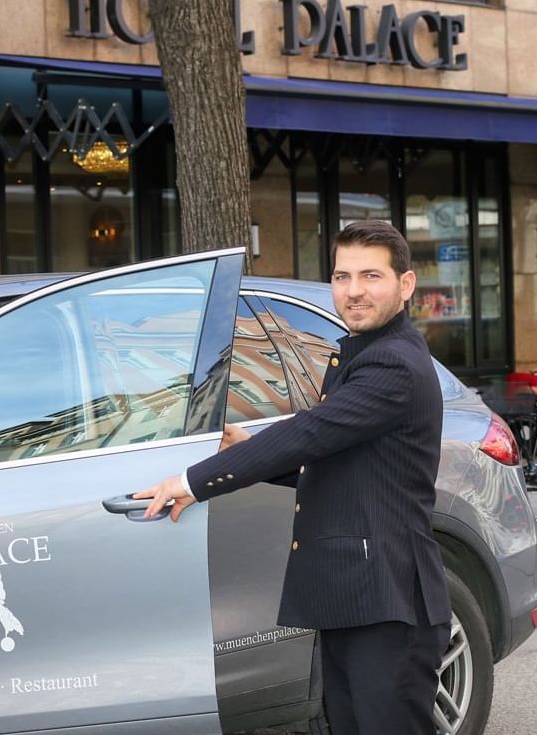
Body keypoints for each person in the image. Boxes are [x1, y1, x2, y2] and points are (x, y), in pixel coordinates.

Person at [134, 220, 452, 735]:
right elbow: (335, 454)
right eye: (342, 276)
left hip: (390, 607)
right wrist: (253, 448)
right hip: (356, 600)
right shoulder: (362, 353)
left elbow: (309, 432)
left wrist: (193, 482)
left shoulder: (393, 365)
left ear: (406, 285)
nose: (354, 291)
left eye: (371, 276)